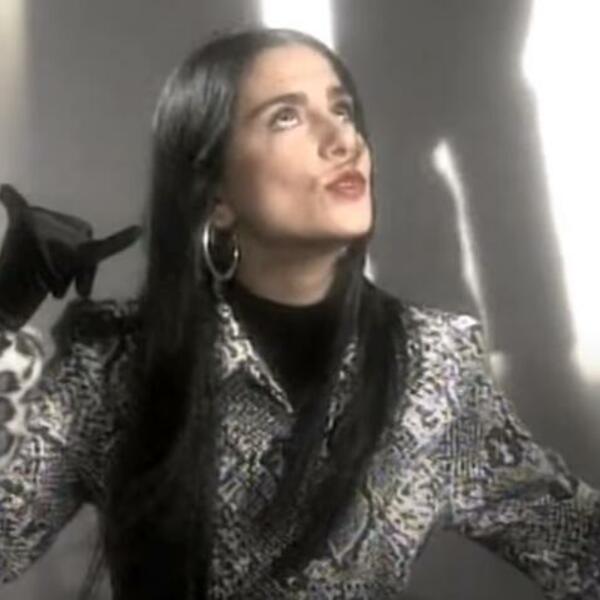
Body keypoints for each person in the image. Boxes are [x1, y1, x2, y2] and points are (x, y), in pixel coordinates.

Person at [0, 28, 598, 600]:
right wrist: (6, 303)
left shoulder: (434, 369)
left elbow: (582, 547)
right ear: (217, 195)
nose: (343, 140)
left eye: (342, 110)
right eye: (285, 116)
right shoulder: (114, 368)